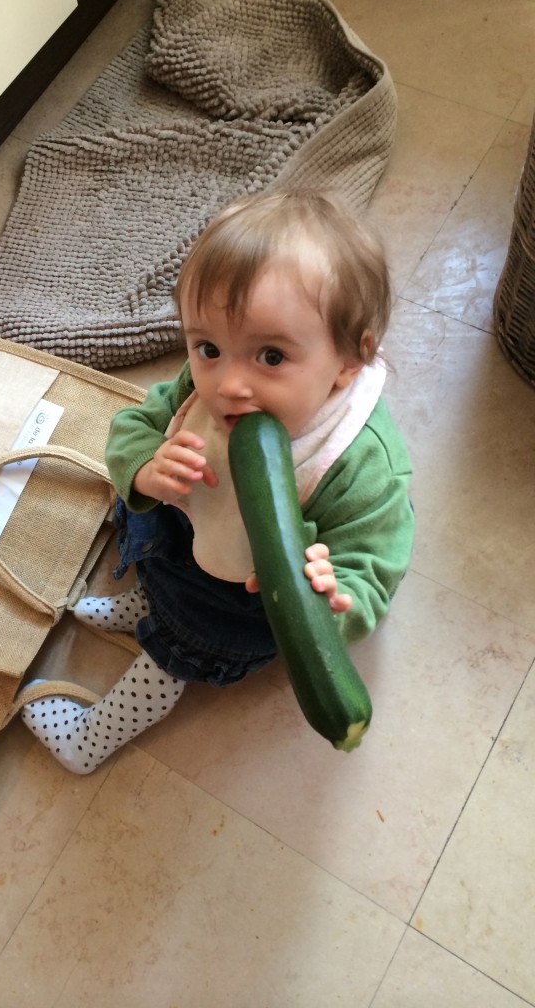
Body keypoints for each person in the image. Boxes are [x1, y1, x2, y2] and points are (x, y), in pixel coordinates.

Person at [21, 187, 414, 773]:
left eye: (272, 357)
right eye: (208, 346)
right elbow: (138, 424)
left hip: (241, 601)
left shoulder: (357, 462)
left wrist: (334, 598)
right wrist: (149, 469)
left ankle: (92, 737)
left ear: (349, 363)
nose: (228, 384)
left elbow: (374, 565)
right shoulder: (203, 381)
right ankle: (146, 602)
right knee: (158, 567)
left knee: (176, 652)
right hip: (178, 534)